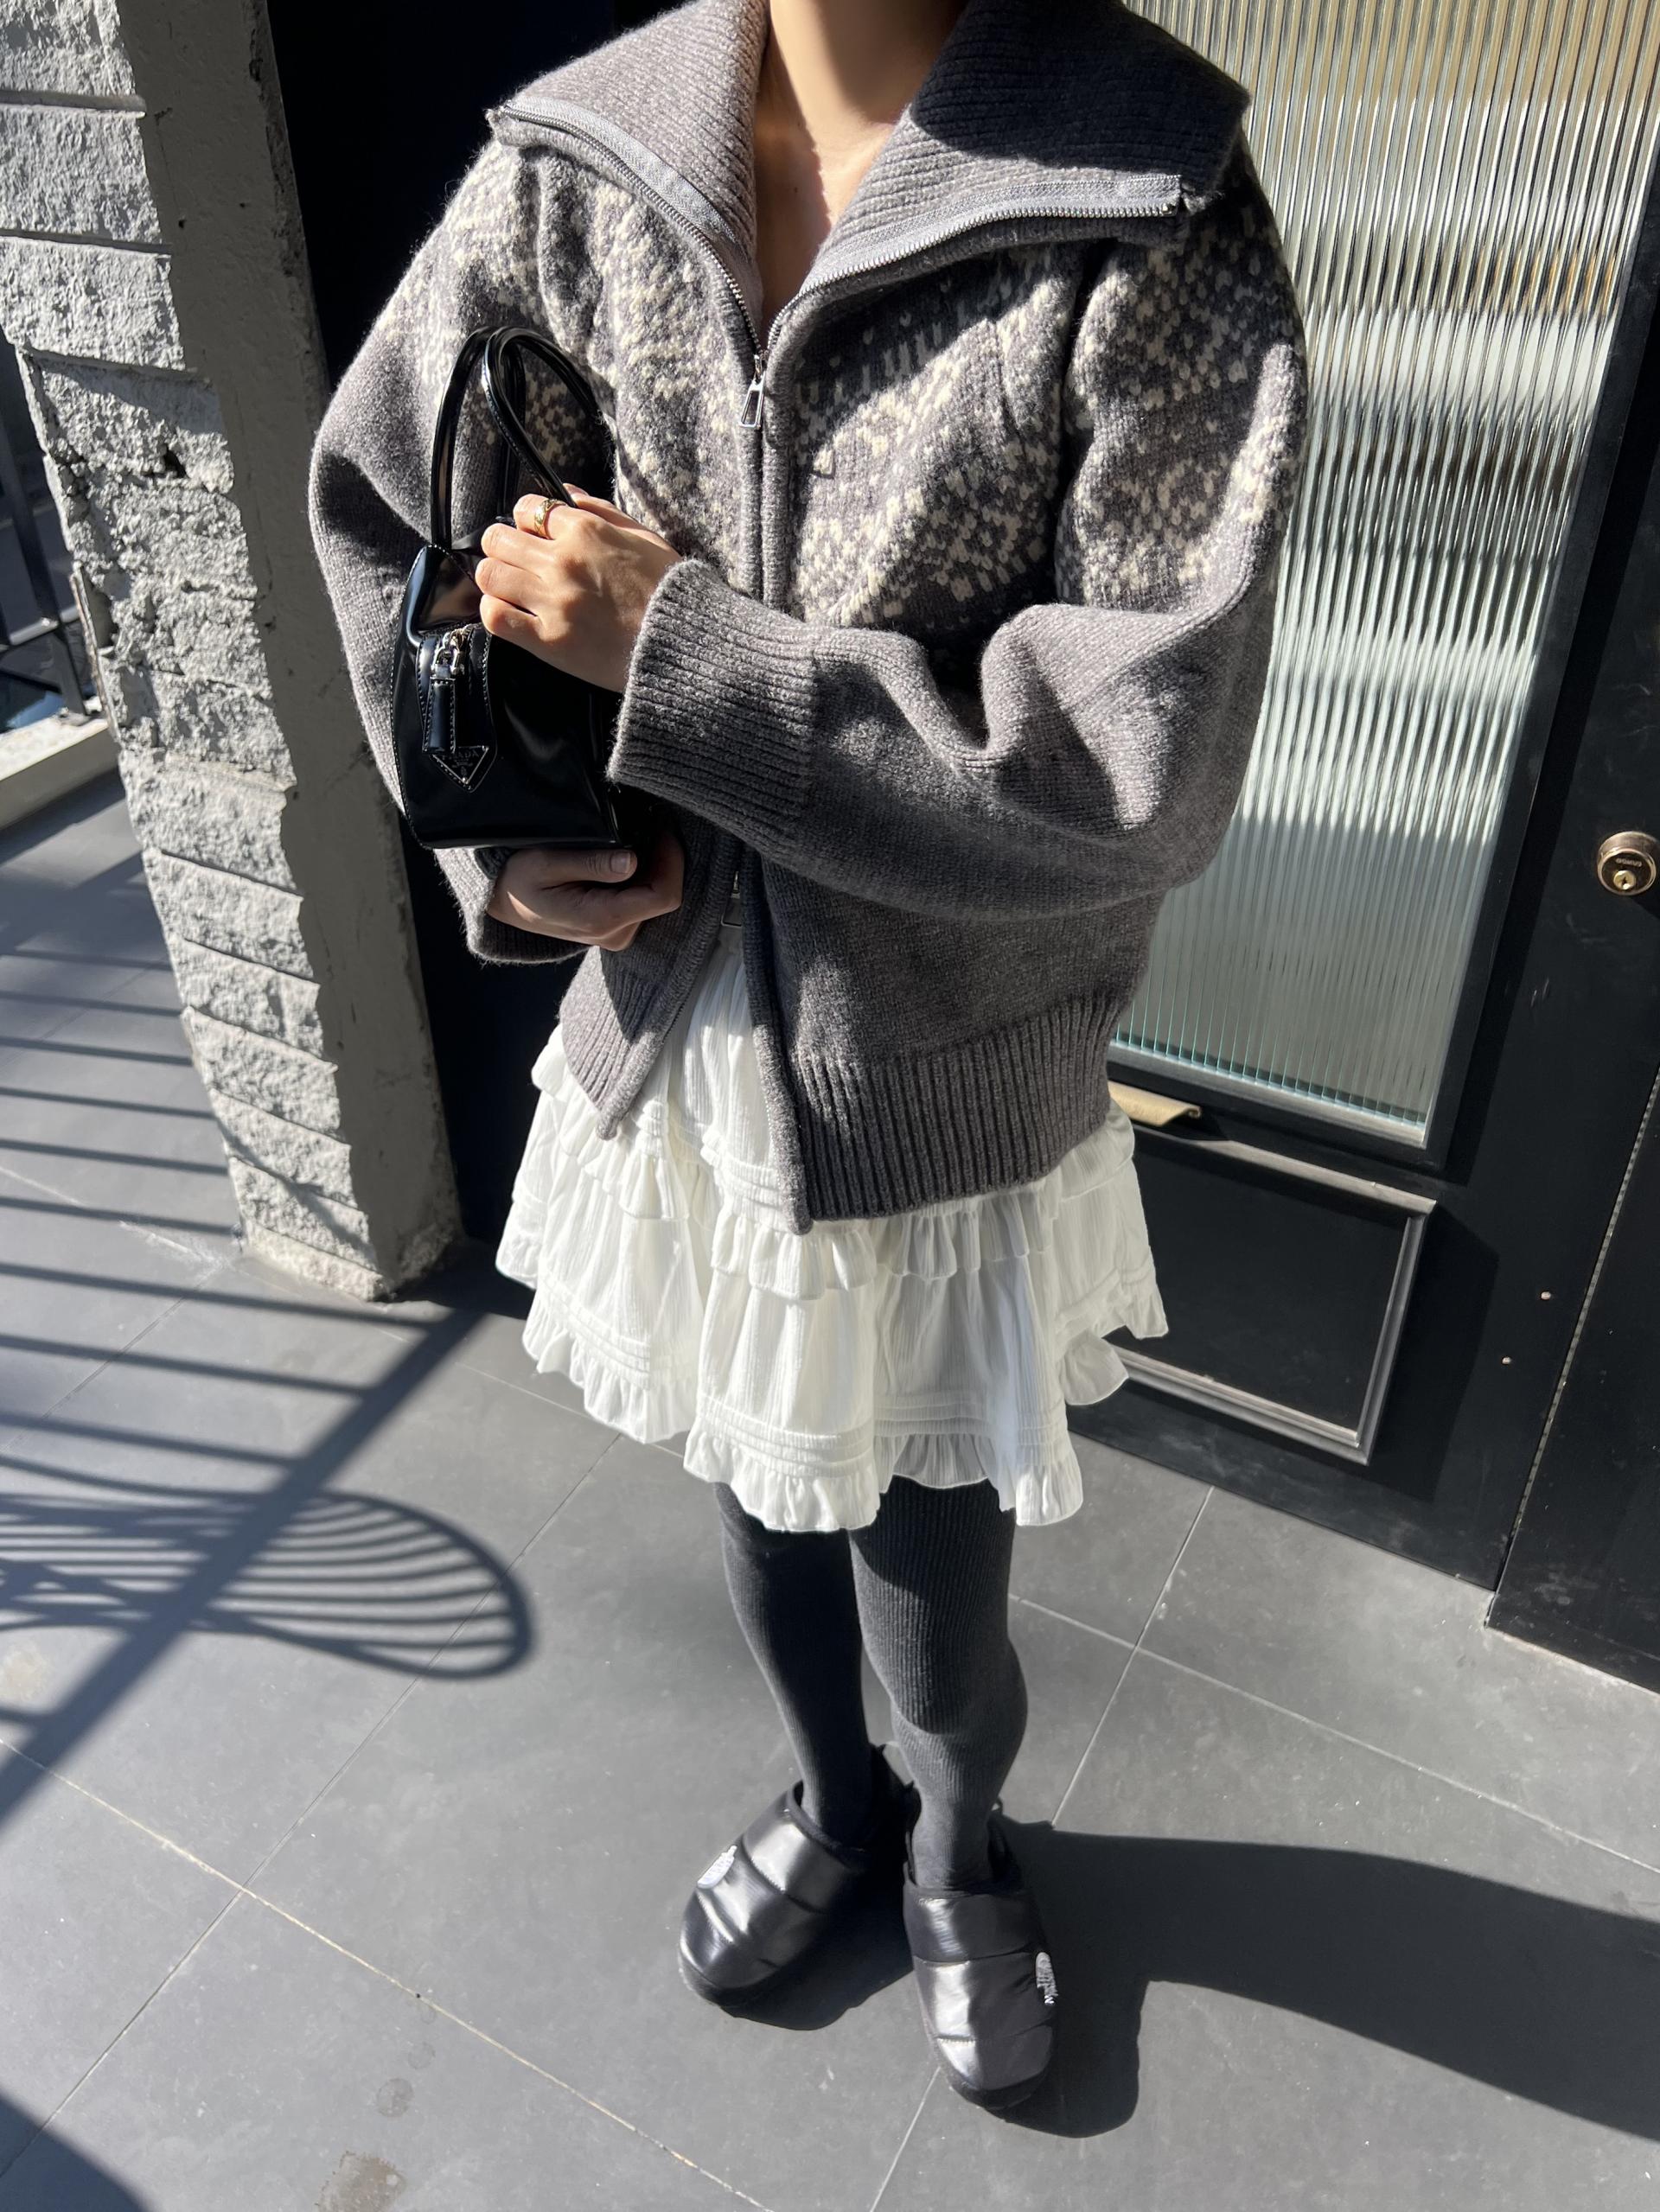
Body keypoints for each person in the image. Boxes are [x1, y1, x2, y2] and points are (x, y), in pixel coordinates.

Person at [308, 0, 1309, 2113]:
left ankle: (955, 1845)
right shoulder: (576, 163)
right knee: (754, 1489)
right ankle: (836, 1808)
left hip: (940, 1077)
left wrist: (683, 659)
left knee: (933, 1577)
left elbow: (1132, 767)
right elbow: (382, 502)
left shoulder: (1144, 201)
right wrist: (502, 840)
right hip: (677, 1039)